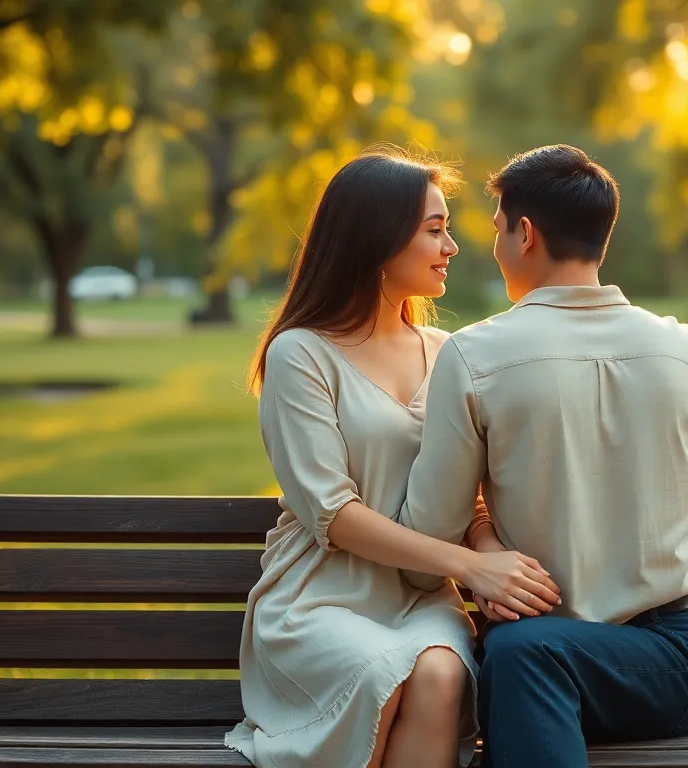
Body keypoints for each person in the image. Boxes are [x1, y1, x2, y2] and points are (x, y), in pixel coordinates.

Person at [225, 147, 563, 768]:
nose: (452, 246)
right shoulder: (300, 354)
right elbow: (334, 515)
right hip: (319, 597)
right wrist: (468, 563)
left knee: (440, 675)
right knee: (381, 672)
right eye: (434, 230)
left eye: (449, 229)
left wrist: (490, 558)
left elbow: (470, 493)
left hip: (419, 599)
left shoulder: (449, 352)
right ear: (376, 239)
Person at [397, 144, 688, 767]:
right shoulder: (687, 349)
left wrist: (482, 534)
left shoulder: (474, 355)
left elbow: (424, 548)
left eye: (497, 231)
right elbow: (682, 488)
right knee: (524, 658)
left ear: (525, 233)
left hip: (572, 658)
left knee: (521, 655)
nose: (493, 249)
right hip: (672, 665)